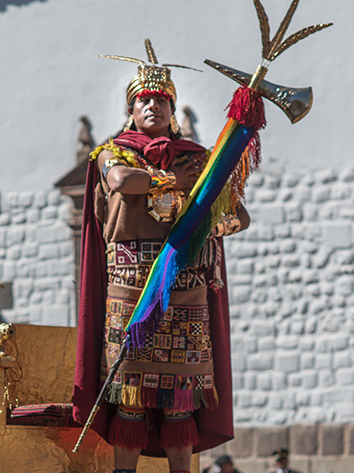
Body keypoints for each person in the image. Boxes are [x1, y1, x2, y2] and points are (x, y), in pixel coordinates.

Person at [73, 39, 249, 473]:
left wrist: (209, 224)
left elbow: (238, 215)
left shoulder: (199, 159)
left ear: (173, 109)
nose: (152, 105)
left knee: (180, 402)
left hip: (185, 288)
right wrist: (169, 179)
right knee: (129, 399)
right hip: (130, 289)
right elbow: (121, 182)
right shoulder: (112, 152)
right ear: (131, 109)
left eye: (161, 100)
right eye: (143, 99)